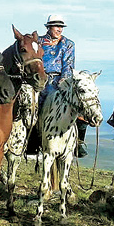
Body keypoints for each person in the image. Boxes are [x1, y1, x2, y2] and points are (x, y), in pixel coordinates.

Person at [38, 14, 87, 158]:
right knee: (28, 106)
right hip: (40, 78)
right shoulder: (39, 42)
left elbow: (68, 65)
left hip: (60, 80)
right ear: (49, 27)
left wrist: (63, 81)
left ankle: (78, 142)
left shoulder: (68, 44)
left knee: (80, 105)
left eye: (61, 27)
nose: (59, 29)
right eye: (56, 26)